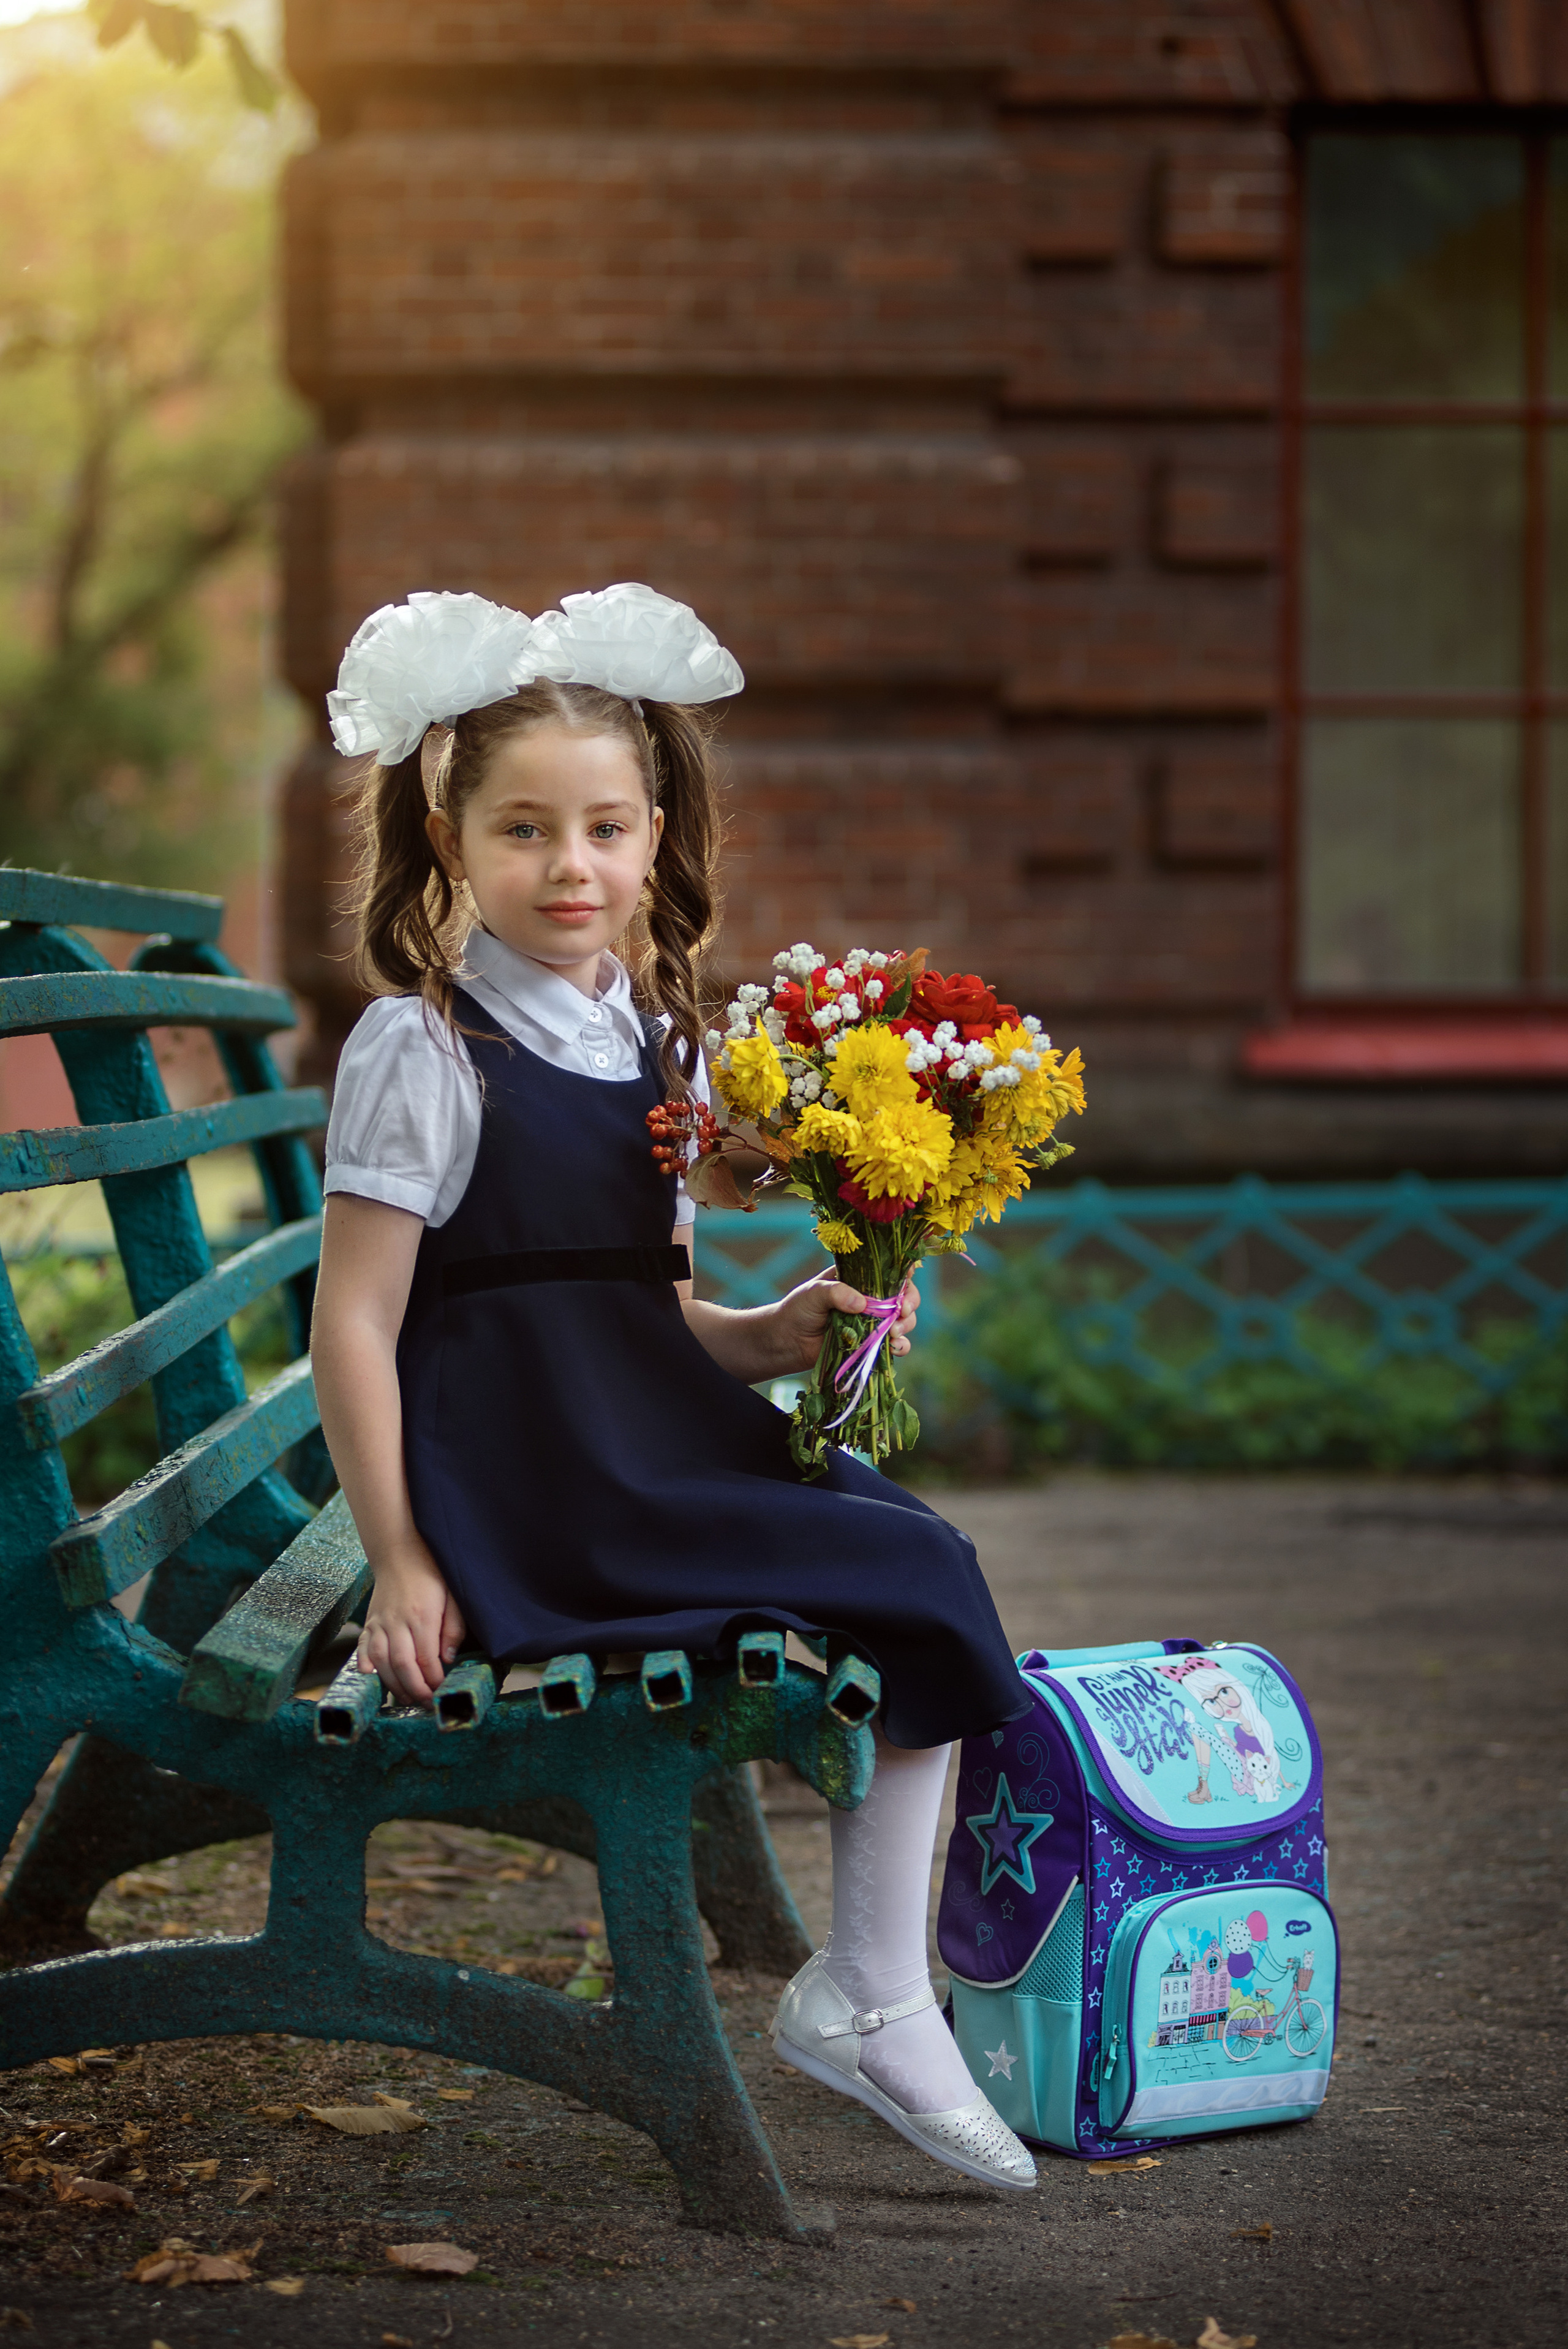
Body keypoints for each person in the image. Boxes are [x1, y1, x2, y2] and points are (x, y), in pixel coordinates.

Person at [311, 584, 1036, 2193]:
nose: (571, 868)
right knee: (915, 1571)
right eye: (524, 829)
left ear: (655, 836)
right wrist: (407, 1555)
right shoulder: (424, 1052)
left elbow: (648, 1306)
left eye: (606, 829)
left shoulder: (649, 1037)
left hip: (640, 1432)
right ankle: (872, 1993)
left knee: (919, 1555)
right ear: (448, 834)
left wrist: (773, 1331)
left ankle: (870, 1983)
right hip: (539, 1489)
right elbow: (353, 1326)